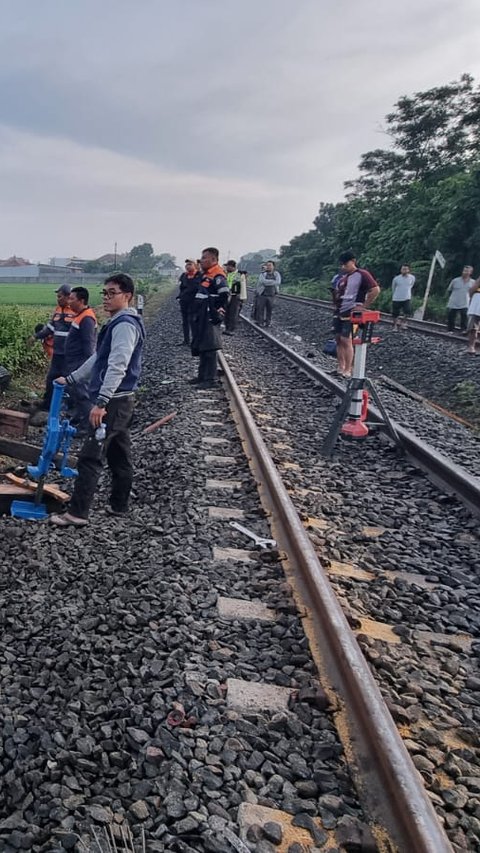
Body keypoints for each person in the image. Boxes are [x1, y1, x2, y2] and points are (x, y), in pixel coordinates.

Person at [50, 273, 146, 527]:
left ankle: (77, 514)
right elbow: (98, 359)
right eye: (104, 293)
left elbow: (118, 365)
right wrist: (71, 379)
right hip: (121, 400)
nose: (106, 297)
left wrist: (101, 402)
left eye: (111, 293)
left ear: (127, 296)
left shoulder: (124, 324)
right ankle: (119, 504)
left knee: (90, 457)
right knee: (119, 454)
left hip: (113, 401)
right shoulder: (118, 321)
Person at [334, 251, 380, 378]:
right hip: (340, 311)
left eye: (345, 264)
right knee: (338, 339)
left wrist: (363, 306)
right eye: (341, 265)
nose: (343, 267)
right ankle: (341, 366)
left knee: (346, 339)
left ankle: (348, 369)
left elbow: (375, 290)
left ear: (353, 261)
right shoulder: (343, 279)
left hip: (353, 313)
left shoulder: (362, 274)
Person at [32, 285, 76, 410]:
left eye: (60, 296)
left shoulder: (75, 311)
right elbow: (50, 328)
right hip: (57, 353)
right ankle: (47, 405)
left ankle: (69, 407)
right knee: (52, 378)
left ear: (68, 297)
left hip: (70, 354)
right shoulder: (58, 310)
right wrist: (35, 337)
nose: (58, 299)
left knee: (68, 381)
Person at [190, 247, 229, 388]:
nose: (201, 260)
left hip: (209, 315)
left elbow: (224, 294)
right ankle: (202, 376)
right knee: (203, 346)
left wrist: (216, 310)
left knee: (210, 348)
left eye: (205, 257)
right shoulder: (206, 274)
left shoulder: (218, 275)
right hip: (202, 314)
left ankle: (210, 379)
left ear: (213, 259)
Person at [64, 286, 98, 431]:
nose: (69, 302)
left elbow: (89, 344)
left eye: (72, 299)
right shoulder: (80, 315)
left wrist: (85, 368)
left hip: (80, 363)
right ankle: (80, 417)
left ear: (81, 300)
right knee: (75, 393)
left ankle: (87, 425)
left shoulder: (87, 318)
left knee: (82, 394)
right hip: (74, 362)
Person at [178, 259, 202, 345]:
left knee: (193, 321)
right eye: (187, 265)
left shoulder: (199, 275)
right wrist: (180, 297)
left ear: (195, 265)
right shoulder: (184, 276)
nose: (188, 266)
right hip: (184, 301)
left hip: (194, 302)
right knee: (185, 321)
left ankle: (195, 340)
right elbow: (181, 288)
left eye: (190, 264)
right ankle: (186, 340)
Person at [446, 266, 475, 333]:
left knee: (464, 316)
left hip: (465, 302)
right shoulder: (455, 280)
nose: (465, 273)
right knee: (451, 316)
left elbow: (473, 293)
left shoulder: (473, 282)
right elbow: (449, 290)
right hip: (454, 301)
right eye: (464, 271)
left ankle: (463, 330)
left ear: (470, 273)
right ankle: (450, 329)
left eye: (467, 271)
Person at [255, 261, 281, 327]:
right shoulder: (263, 274)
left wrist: (268, 282)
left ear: (273, 266)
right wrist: (273, 282)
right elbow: (263, 282)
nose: (269, 267)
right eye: (267, 265)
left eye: (270, 265)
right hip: (262, 294)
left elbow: (278, 282)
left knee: (270, 309)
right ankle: (260, 322)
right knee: (260, 309)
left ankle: (268, 323)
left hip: (272, 295)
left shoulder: (276, 274)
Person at [224, 260, 246, 335]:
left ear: (232, 266)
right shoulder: (228, 274)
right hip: (228, 295)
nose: (226, 268)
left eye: (228, 266)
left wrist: (243, 298)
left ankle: (231, 329)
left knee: (233, 313)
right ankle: (227, 328)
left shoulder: (240, 274)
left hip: (235, 296)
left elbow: (243, 287)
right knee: (227, 312)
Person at [391, 264, 415, 330]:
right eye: (403, 269)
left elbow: (411, 285)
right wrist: (394, 295)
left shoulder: (412, 278)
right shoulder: (396, 279)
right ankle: (395, 326)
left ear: (409, 270)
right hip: (397, 298)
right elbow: (393, 288)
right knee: (395, 313)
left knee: (407, 311)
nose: (404, 271)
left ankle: (403, 323)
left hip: (407, 297)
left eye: (406, 269)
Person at [466, 277, 480, 354]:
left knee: (474, 325)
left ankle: (472, 347)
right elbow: (472, 289)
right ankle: (471, 346)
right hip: (478, 301)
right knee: (474, 326)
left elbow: (472, 290)